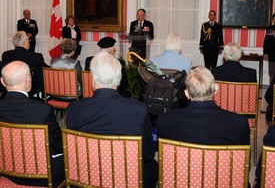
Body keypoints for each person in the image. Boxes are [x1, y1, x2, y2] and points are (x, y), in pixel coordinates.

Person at [66, 51, 158, 188]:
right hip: (127, 181)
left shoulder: (73, 109)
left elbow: (72, 155)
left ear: (93, 79)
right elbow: (148, 154)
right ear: (119, 79)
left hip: (86, 178)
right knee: (153, 164)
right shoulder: (138, 110)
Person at [0, 61, 64, 187]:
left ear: (2, 81)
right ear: (28, 80)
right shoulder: (43, 110)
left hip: (5, 170)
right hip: (42, 176)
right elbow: (59, 144)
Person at [157, 66, 250, 145]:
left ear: (186, 94)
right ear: (216, 89)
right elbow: (243, 163)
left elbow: (165, 157)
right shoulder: (240, 123)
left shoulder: (166, 120)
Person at [1, 31, 48, 96]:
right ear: (26, 41)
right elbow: (46, 71)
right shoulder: (36, 57)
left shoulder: (6, 55)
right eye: (29, 40)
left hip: (9, 89)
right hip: (31, 91)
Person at [263, 13, 275, 84]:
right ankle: (272, 90)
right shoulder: (270, 29)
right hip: (272, 54)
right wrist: (265, 53)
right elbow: (266, 41)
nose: (274, 21)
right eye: (273, 19)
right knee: (272, 73)